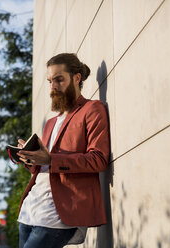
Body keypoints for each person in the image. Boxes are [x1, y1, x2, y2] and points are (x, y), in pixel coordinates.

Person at [16, 53, 110, 248]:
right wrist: (30, 158)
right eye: (50, 81)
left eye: (59, 80)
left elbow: (98, 159)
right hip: (29, 210)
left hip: (57, 213)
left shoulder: (92, 109)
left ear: (76, 78)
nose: (53, 87)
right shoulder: (50, 123)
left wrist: (50, 160)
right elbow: (44, 167)